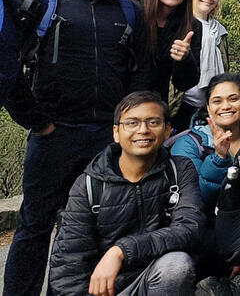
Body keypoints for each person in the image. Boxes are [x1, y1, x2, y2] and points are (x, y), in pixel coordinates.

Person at [3, 0, 151, 296]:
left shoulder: (127, 11)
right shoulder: (43, 3)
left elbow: (138, 75)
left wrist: (127, 130)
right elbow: (9, 65)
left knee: (94, 229)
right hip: (54, 135)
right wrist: (38, 123)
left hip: (105, 138)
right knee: (35, 227)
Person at [48, 91, 204, 296]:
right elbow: (68, 264)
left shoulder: (178, 170)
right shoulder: (89, 184)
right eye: (132, 123)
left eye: (153, 122)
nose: (143, 130)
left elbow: (189, 228)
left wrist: (120, 251)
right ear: (116, 132)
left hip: (153, 278)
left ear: (167, 130)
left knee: (176, 266)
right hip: (105, 289)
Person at [171, 73, 240, 290]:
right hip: (205, 234)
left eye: (233, 99)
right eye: (217, 100)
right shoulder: (188, 143)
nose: (226, 106)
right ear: (207, 107)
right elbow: (197, 198)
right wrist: (219, 157)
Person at [131, 0, 202, 131]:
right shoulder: (132, 11)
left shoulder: (192, 26)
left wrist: (185, 59)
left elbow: (184, 83)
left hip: (155, 110)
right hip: (123, 107)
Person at [172, 0, 229, 127]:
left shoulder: (220, 31)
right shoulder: (178, 24)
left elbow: (225, 68)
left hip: (210, 106)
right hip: (179, 106)